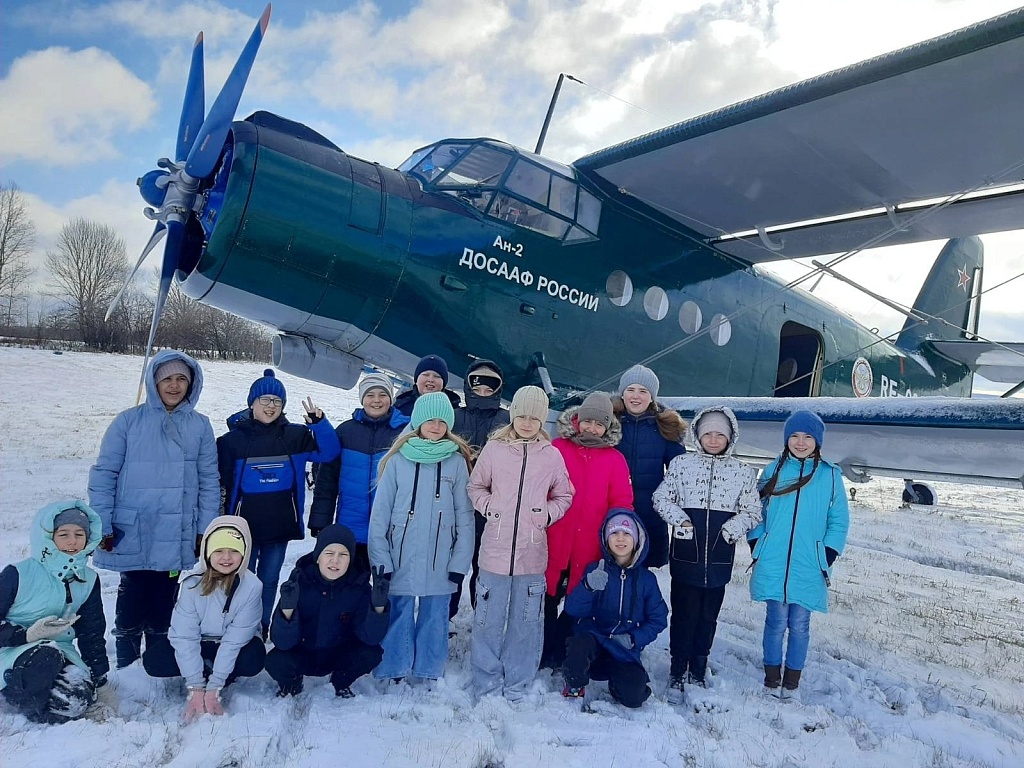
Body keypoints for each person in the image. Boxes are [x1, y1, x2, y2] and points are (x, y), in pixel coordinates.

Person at [88, 350, 220, 669]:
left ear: (191, 384)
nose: (174, 386)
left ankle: (158, 666)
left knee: (165, 597)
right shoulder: (128, 422)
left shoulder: (200, 426)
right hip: (134, 526)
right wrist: (102, 523)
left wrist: (205, 529)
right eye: (167, 379)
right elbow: (104, 474)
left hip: (176, 529)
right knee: (133, 593)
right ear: (154, 383)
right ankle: (127, 663)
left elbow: (209, 480)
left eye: (181, 379)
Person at [467, 386, 574, 700]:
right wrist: (490, 508)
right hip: (494, 553)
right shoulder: (494, 450)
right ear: (513, 415)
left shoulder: (551, 455)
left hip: (532, 553)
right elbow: (476, 486)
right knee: (487, 620)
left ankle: (518, 680)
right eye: (522, 416)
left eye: (534, 418)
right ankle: (486, 680)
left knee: (525, 622)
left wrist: (546, 514)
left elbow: (565, 494)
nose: (527, 423)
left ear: (542, 420)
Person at [217, 368, 340, 634]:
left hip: (280, 525)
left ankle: (261, 626)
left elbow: (329, 452)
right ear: (252, 402)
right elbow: (221, 483)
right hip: (242, 529)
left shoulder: (295, 436)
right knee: (240, 579)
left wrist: (319, 424)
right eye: (265, 399)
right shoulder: (232, 441)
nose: (271, 406)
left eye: (277, 401)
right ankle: (237, 627)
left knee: (269, 580)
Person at [652, 406, 761, 702]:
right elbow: (661, 499)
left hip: (718, 556)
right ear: (698, 435)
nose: (713, 440)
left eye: (719, 435)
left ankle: (699, 666)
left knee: (708, 616)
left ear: (730, 438)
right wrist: (681, 521)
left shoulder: (742, 472)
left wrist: (730, 530)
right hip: (686, 555)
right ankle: (677, 668)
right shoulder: (682, 465)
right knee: (683, 614)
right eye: (708, 433)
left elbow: (753, 511)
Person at [368, 392, 475, 683]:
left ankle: (429, 668)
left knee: (435, 614)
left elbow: (465, 517)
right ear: (418, 422)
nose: (436, 426)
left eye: (442, 421)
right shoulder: (397, 461)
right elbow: (380, 516)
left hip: (441, 557)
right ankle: (394, 666)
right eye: (430, 420)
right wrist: (381, 561)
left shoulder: (456, 462)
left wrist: (460, 562)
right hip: (400, 554)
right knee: (398, 610)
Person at [747, 410, 849, 699]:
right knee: (775, 622)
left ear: (818, 441)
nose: (800, 442)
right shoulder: (773, 470)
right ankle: (771, 679)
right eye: (794, 436)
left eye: (807, 437)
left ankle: (791, 683)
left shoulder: (830, 475)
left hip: (809, 562)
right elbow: (755, 510)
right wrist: (758, 543)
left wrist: (827, 552)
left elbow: (839, 519)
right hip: (774, 559)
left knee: (800, 625)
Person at [542, 392, 633, 668]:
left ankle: (562, 648)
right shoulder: (557, 448)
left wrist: (616, 539)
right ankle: (543, 649)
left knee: (578, 601)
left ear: (607, 427)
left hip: (590, 545)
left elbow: (622, 503)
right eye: (588, 421)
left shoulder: (615, 459)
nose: (592, 428)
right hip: (554, 538)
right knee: (546, 597)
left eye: (599, 424)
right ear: (577, 420)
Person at [143, 516, 265, 722]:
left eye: (234, 550)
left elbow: (234, 640)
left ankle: (220, 672)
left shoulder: (252, 587)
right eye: (218, 550)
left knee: (253, 658)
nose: (226, 557)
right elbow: (184, 636)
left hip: (228, 644)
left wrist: (215, 685)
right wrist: (196, 687)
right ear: (207, 552)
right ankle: (200, 670)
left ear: (245, 553)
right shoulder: (191, 584)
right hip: (199, 641)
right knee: (154, 661)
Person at [0, 501, 109, 724]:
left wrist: (99, 679)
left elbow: (92, 632)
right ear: (48, 537)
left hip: (62, 652)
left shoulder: (88, 579)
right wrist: (27, 635)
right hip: (11, 651)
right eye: (64, 534)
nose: (72, 541)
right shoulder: (18, 573)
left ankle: (50, 704)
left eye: (79, 534)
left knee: (78, 697)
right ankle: (18, 694)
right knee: (46, 657)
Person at [265, 524, 390, 698]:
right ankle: (292, 685)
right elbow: (282, 643)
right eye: (329, 553)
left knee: (371, 654)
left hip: (338, 654)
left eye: (343, 555)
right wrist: (287, 610)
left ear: (350, 560)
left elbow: (370, 638)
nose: (335, 560)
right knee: (276, 661)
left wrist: (378, 606)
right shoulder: (298, 584)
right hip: (303, 652)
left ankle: (340, 683)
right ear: (318, 557)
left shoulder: (359, 587)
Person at [562, 510, 668, 707]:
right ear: (605, 539)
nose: (620, 539)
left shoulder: (646, 580)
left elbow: (658, 619)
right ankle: (575, 684)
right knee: (578, 645)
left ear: (637, 540)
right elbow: (573, 610)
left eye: (627, 533)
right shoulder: (595, 570)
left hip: (622, 649)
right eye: (614, 533)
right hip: (593, 642)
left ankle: (618, 684)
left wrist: (634, 638)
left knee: (634, 697)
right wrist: (587, 587)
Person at [309, 372, 409, 573]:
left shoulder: (405, 432)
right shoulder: (346, 431)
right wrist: (321, 520)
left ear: (391, 398)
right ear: (362, 398)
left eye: (383, 394)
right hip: (351, 529)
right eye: (370, 395)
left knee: (387, 585)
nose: (376, 400)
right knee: (354, 584)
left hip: (391, 530)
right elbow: (327, 481)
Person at [450, 359, 510, 621]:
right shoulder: (455, 417)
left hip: (492, 509)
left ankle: (483, 618)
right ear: (468, 388)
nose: (483, 394)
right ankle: (445, 615)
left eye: (489, 389)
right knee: (451, 565)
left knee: (484, 567)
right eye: (477, 388)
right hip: (455, 506)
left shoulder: (506, 420)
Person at [613, 364, 687, 569]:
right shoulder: (610, 424)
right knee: (614, 566)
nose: (636, 396)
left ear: (652, 397)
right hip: (615, 510)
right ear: (622, 394)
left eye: (643, 391)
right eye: (630, 390)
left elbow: (680, 472)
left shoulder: (666, 428)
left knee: (646, 571)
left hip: (651, 513)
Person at [394, 354, 461, 418]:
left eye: (437, 376)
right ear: (416, 380)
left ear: (443, 384)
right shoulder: (399, 408)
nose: (430, 380)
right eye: (425, 375)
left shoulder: (456, 412)